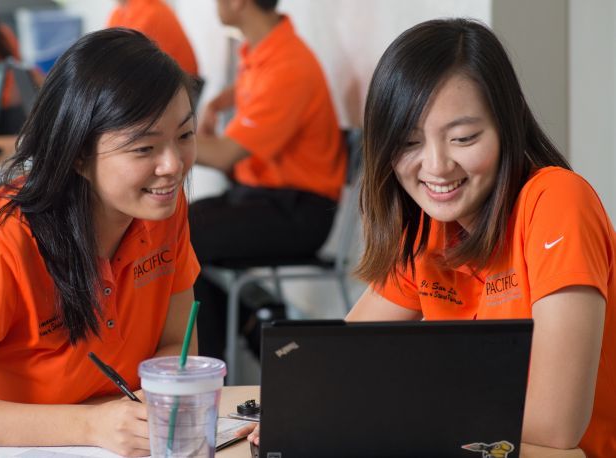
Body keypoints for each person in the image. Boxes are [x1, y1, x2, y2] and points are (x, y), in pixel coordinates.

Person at [239, 18, 616, 457]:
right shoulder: (428, 231)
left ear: (506, 126)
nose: (436, 166)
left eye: (463, 138)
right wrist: (308, 411)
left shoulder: (556, 201)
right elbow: (337, 363)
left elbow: (555, 428)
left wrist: (381, 408)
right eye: (409, 142)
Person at [0, 28, 200, 456]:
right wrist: (90, 425)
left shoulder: (163, 208)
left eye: (185, 136)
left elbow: (175, 341)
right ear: (77, 155)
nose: (173, 165)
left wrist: (158, 397)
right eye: (144, 148)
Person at [191, 0, 347, 361]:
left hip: (298, 212)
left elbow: (224, 155)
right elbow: (257, 97)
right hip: (259, 198)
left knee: (187, 235)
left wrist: (155, 141)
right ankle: (256, 322)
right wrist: (218, 102)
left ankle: (210, 368)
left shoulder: (288, 65)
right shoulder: (261, 50)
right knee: (173, 229)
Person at [107, 0, 198, 77]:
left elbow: (123, 60)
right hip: (162, 78)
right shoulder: (118, 14)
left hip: (182, 82)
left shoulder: (148, 10)